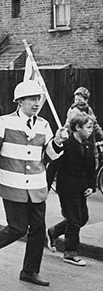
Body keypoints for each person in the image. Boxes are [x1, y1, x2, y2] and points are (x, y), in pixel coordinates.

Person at [0, 80, 68, 287]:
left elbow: (49, 156)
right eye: (31, 99)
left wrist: (58, 142)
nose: (36, 103)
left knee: (38, 228)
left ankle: (30, 271)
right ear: (20, 101)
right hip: (11, 182)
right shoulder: (3, 122)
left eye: (38, 98)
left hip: (36, 184)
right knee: (18, 227)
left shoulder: (44, 125)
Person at [47, 111, 96, 267]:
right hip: (67, 187)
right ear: (77, 127)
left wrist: (91, 185)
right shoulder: (66, 144)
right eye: (88, 127)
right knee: (74, 220)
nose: (91, 130)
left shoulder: (88, 144)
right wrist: (45, 187)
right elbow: (53, 165)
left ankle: (53, 232)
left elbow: (90, 168)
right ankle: (70, 253)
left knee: (82, 218)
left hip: (81, 188)